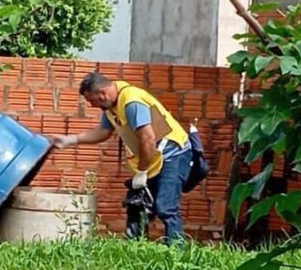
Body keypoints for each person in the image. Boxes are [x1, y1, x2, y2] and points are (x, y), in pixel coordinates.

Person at [47, 72, 199, 246]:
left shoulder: (131, 101)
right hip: (152, 158)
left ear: (102, 93)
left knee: (166, 207)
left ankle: (177, 255)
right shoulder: (112, 105)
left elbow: (147, 138)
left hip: (174, 154)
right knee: (137, 205)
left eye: (92, 101)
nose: (93, 105)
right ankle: (135, 248)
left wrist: (142, 172)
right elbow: (103, 132)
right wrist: (70, 140)